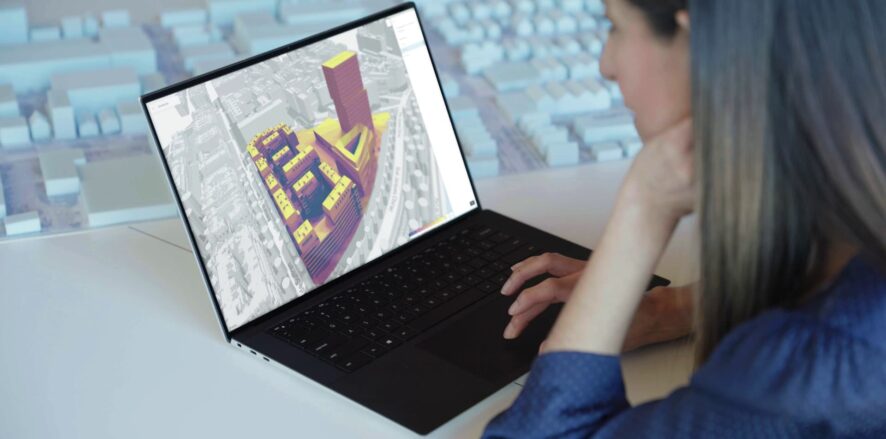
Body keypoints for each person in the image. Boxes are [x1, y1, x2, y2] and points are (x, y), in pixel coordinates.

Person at [483, 0, 886, 437]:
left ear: (700, 43)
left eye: (614, 27)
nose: (605, 65)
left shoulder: (813, 373)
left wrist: (642, 211)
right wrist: (677, 306)